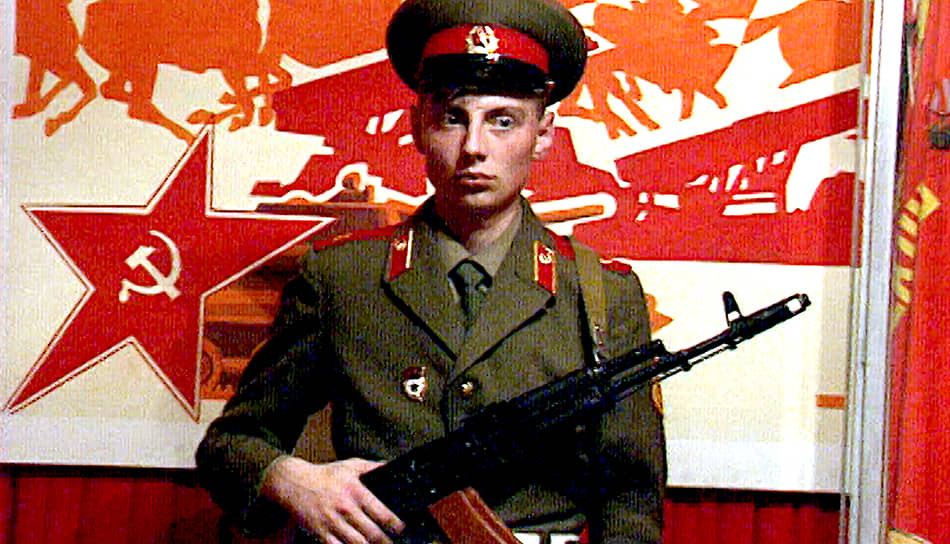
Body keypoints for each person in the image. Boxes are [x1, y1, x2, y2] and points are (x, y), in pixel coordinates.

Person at [195, 1, 666, 543]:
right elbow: (231, 445)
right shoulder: (343, 278)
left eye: (503, 121)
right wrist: (291, 480)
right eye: (452, 118)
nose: (474, 148)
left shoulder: (600, 293)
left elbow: (632, 501)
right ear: (418, 126)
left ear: (543, 134)